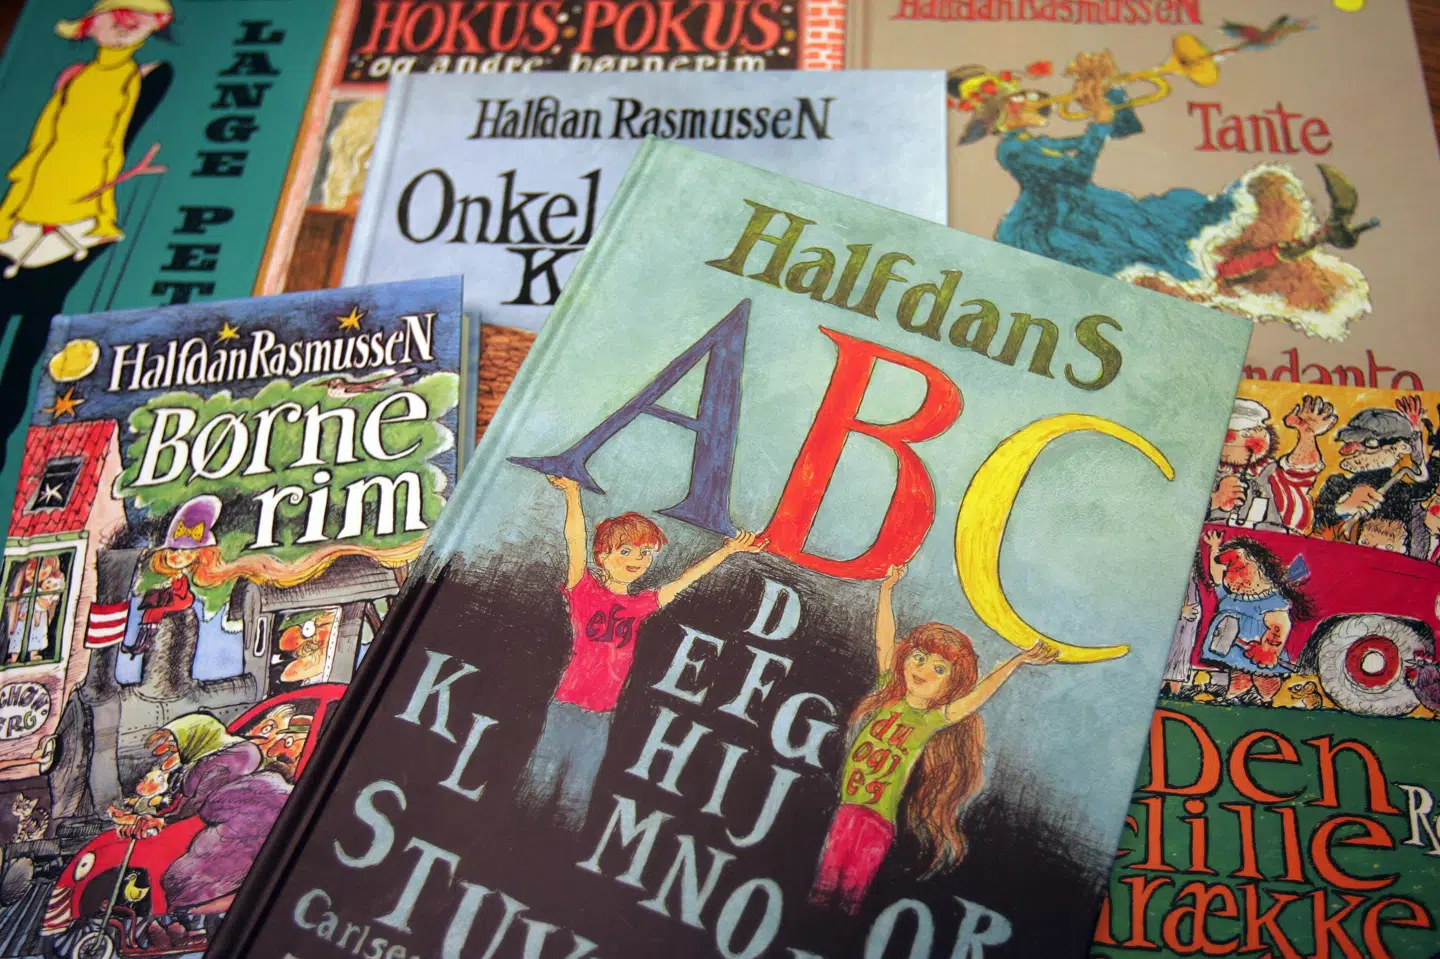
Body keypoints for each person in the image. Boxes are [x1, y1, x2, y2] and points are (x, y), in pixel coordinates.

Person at [517, 476, 765, 831]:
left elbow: (684, 581)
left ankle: (558, 847)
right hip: (567, 706)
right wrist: (572, 494)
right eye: (626, 551)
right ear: (603, 557)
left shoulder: (639, 605)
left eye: (645, 553)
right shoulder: (584, 591)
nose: (637, 559)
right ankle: (515, 837)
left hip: (602, 716)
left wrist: (727, 551)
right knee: (539, 781)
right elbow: (575, 540)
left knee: (577, 793)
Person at [811, 564, 1057, 913]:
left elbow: (977, 697)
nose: (923, 669)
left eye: (939, 669)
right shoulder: (890, 696)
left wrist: (1016, 662)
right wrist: (886, 591)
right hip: (847, 811)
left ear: (950, 686)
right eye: (919, 657)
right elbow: (884, 639)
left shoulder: (930, 720)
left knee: (851, 896)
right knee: (823, 890)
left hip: (876, 822)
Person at [0, 0, 174, 476]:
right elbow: (40, 148)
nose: (123, 24)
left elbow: (118, 138)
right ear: (88, 26)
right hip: (20, 222)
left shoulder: (149, 76)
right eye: (113, 15)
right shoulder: (72, 77)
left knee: (28, 354)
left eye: (136, 17)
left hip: (76, 226)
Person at [952, 52, 1235, 282]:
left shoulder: (1036, 142)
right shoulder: (1012, 150)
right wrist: (1099, 124)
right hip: (1054, 224)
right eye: (1022, 99)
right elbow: (1078, 173)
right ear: (1001, 116)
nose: (1036, 101)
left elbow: (1122, 130)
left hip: (1082, 206)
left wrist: (1109, 91)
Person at [107, 712, 292, 948]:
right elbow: (189, 808)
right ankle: (181, 926)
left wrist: (160, 822)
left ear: (195, 738)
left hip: (249, 826)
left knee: (185, 877)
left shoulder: (225, 761)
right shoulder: (221, 758)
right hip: (257, 823)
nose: (170, 751)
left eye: (174, 744)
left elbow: (199, 808)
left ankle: (182, 925)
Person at [1196, 530, 1312, 705]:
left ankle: (1269, 700)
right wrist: (1214, 548)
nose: (1233, 580)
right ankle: (1233, 696)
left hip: (1259, 649)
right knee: (1238, 672)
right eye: (1230, 571)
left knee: (1264, 678)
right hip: (1235, 649)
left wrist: (1269, 651)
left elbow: (1279, 626)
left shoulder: (1269, 600)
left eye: (1240, 569)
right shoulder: (1231, 596)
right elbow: (1217, 575)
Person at [1313, 397, 1438, 538]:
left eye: (1370, 442)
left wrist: (1415, 434)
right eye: (1349, 441)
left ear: (1400, 448)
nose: (1353, 450)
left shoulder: (1398, 491)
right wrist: (1341, 509)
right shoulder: (1336, 485)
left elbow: (1427, 483)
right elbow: (1311, 523)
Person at [1208, 396, 1332, 532]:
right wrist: (1216, 499)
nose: (1245, 441)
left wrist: (1307, 436)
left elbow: (1299, 471)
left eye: (1250, 432)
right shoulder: (1206, 472)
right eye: (1235, 434)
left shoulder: (1269, 472)